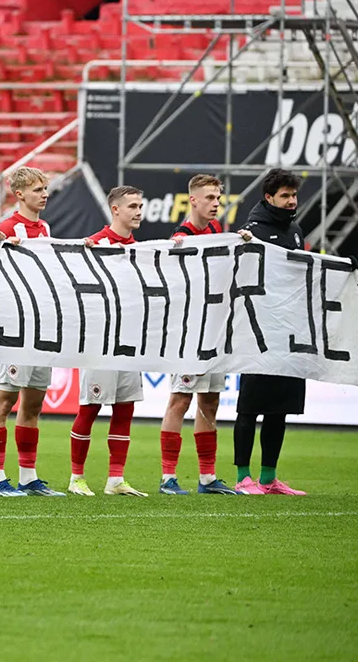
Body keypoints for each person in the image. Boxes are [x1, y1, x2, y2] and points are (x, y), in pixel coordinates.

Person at [158, 174, 248, 495]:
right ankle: (168, 478)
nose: (216, 203)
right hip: (190, 334)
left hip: (214, 331)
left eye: (218, 198)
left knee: (209, 402)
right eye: (209, 197)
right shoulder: (181, 238)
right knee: (180, 400)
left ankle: (207, 478)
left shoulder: (214, 233)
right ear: (193, 200)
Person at [0, 167, 65, 497]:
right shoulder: (6, 229)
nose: (44, 195)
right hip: (16, 327)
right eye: (37, 190)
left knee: (33, 405)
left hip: (41, 327)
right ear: (19, 195)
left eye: (45, 189)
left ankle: (28, 477)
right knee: (4, 401)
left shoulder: (44, 228)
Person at [68, 186, 149, 497]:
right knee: (90, 408)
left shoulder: (140, 250)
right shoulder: (95, 245)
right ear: (115, 210)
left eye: (140, 205)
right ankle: (76, 477)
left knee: (124, 409)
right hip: (99, 342)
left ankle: (116, 479)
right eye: (132, 206)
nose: (138, 211)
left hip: (129, 340)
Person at [233, 169, 309, 495]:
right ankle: (243, 477)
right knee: (250, 407)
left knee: (279, 408)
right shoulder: (251, 232)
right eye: (285, 196)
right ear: (269, 198)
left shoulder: (295, 231)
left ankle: (268, 478)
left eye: (294, 195)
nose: (292, 201)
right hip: (258, 332)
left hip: (288, 332)